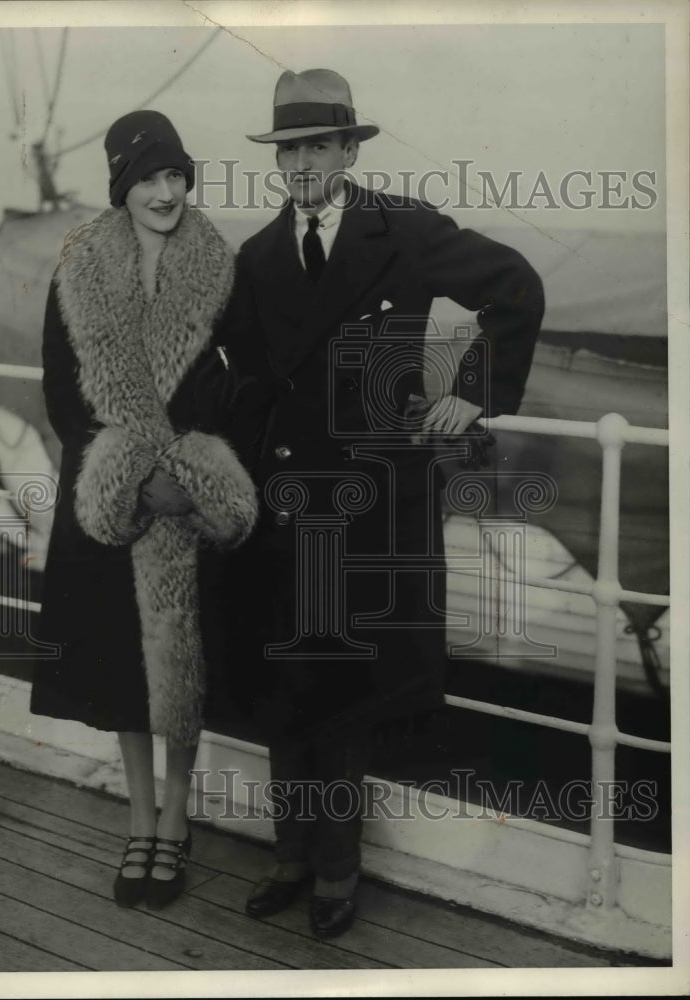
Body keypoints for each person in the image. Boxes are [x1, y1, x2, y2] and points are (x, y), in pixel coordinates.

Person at [209, 69, 545, 939]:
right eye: (289, 150)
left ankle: (335, 870)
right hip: (283, 506)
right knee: (285, 684)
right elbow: (237, 379)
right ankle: (287, 856)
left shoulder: (404, 232)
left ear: (350, 150)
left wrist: (474, 388)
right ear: (277, 161)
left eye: (319, 145)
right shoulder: (254, 257)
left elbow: (513, 288)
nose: (303, 164)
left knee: (349, 693)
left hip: (369, 503)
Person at [30, 110, 258, 910]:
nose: (166, 192)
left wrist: (190, 477)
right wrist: (127, 481)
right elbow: (62, 392)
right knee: (125, 667)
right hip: (111, 501)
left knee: (183, 664)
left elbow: (243, 388)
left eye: (176, 176)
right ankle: (138, 819)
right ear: (122, 186)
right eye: (149, 178)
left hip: (189, 499)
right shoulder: (80, 269)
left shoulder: (217, 267)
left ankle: (176, 817)